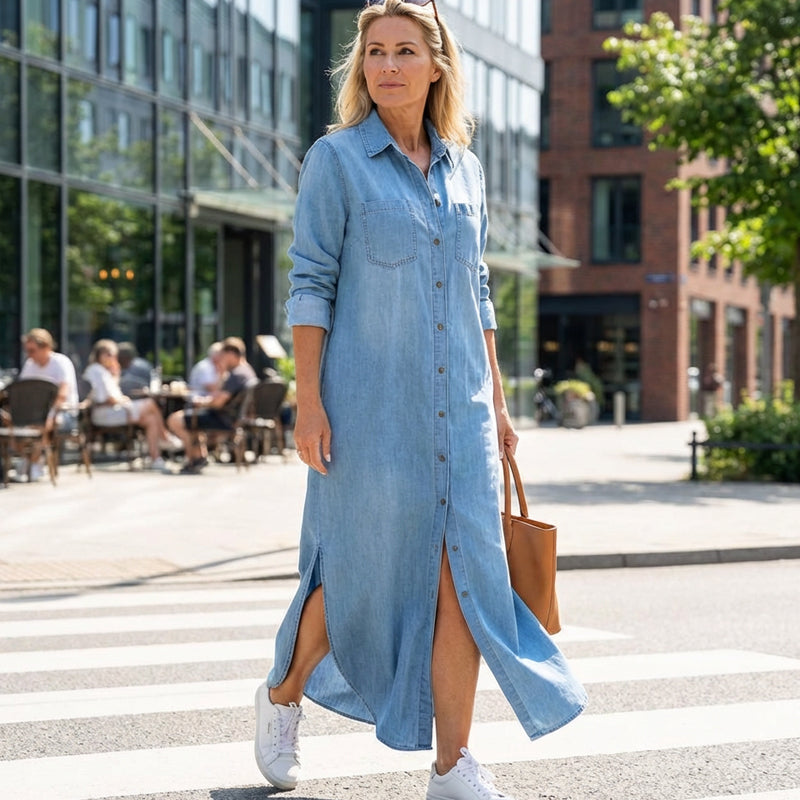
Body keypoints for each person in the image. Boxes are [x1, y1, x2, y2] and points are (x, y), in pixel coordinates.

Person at [253, 3, 587, 799]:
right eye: (376, 52)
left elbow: (478, 298)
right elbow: (311, 285)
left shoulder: (465, 169)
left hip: (463, 416)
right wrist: (309, 403)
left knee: (460, 585)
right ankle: (283, 692)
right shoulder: (335, 162)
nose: (390, 65)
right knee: (357, 580)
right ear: (360, 68)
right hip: (368, 414)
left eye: (406, 51)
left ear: (438, 66)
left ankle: (452, 765)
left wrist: (500, 409)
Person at [83, 339, 179, 470]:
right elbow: (108, 398)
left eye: (113, 355)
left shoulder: (104, 372)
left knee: (151, 420)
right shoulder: (96, 371)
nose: (112, 358)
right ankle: (165, 437)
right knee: (151, 403)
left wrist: (115, 375)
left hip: (115, 410)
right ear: (100, 354)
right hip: (105, 413)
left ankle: (156, 458)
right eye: (108, 354)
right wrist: (123, 400)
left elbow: (112, 392)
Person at [166, 336, 257, 474]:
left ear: (231, 354)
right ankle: (200, 456)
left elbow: (218, 402)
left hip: (224, 418)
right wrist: (222, 372)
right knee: (190, 419)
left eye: (223, 355)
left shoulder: (236, 374)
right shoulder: (246, 371)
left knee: (175, 420)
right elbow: (220, 394)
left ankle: (194, 457)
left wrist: (202, 402)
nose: (220, 358)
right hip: (233, 417)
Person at [15, 328, 80, 482]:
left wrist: (50, 415)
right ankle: (31, 461)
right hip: (35, 414)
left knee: (43, 423)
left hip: (64, 413)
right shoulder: (30, 365)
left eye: (32, 350)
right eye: (27, 351)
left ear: (46, 347)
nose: (29, 355)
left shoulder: (61, 362)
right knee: (12, 425)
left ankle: (33, 463)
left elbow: (63, 394)